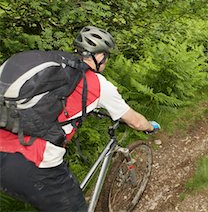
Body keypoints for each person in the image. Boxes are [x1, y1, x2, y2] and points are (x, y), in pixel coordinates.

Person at [0, 26, 160, 212]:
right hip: (34, 161)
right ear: (99, 57)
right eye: (106, 56)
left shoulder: (58, 65)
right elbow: (135, 121)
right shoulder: (97, 84)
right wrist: (150, 127)